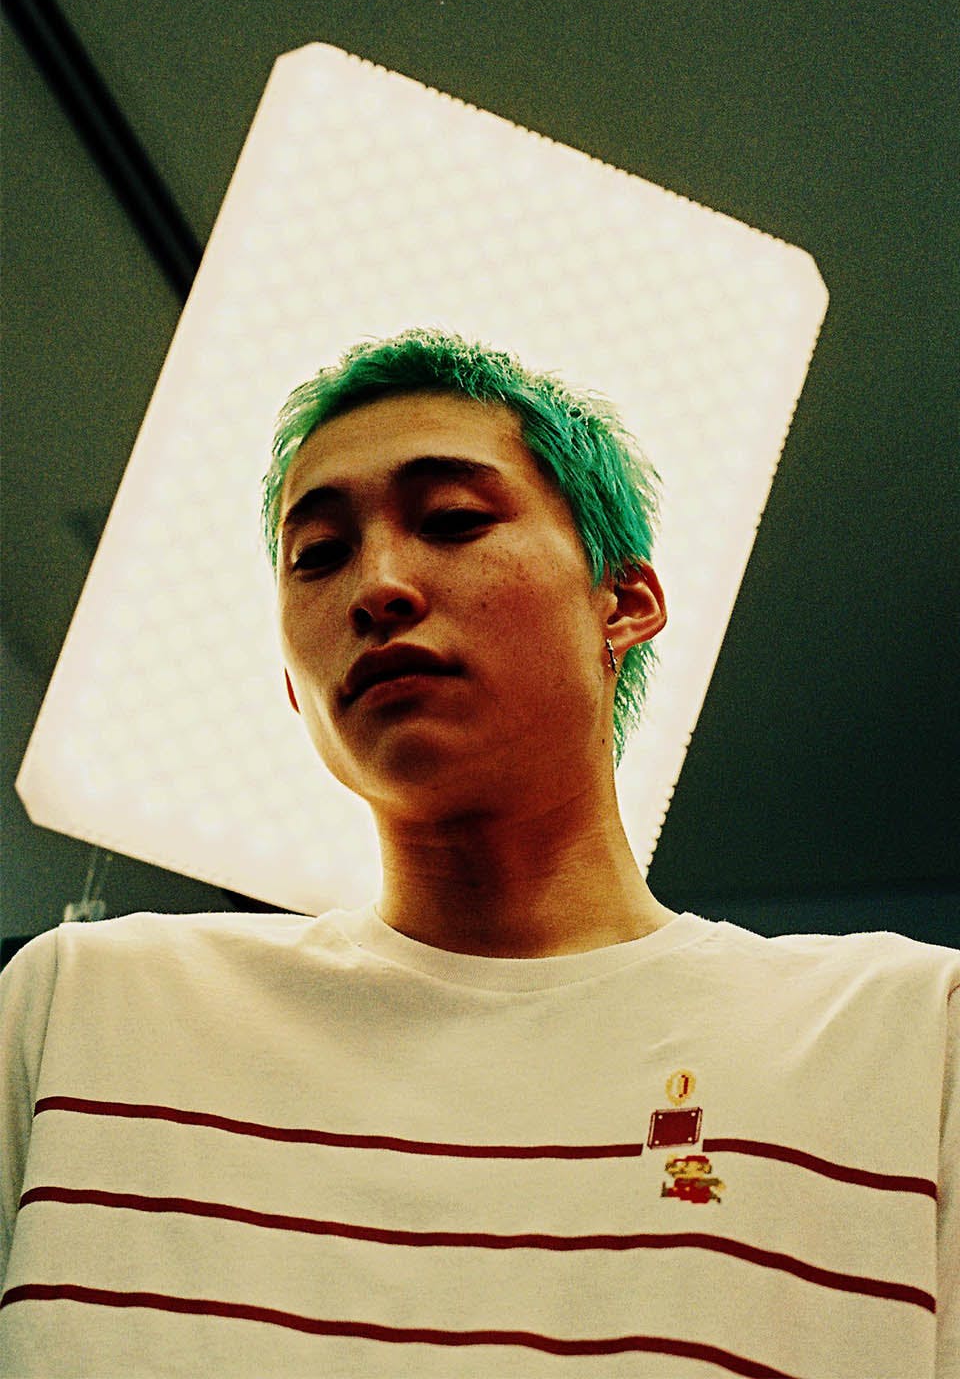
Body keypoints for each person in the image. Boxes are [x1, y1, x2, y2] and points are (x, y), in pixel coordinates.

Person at [1, 328, 957, 1378]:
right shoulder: (84, 1014)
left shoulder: (905, 1038)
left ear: (623, 602)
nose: (377, 587)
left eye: (453, 520)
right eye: (317, 555)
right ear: (292, 688)